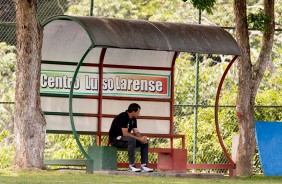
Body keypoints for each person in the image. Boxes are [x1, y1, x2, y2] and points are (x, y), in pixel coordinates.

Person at [109, 103, 153, 172]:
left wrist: (142, 138)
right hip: (116, 139)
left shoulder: (134, 119)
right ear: (133, 112)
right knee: (132, 140)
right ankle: (131, 165)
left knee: (144, 142)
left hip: (125, 139)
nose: (139, 114)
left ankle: (143, 166)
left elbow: (136, 132)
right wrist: (139, 139)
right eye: (138, 112)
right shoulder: (123, 116)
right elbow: (125, 133)